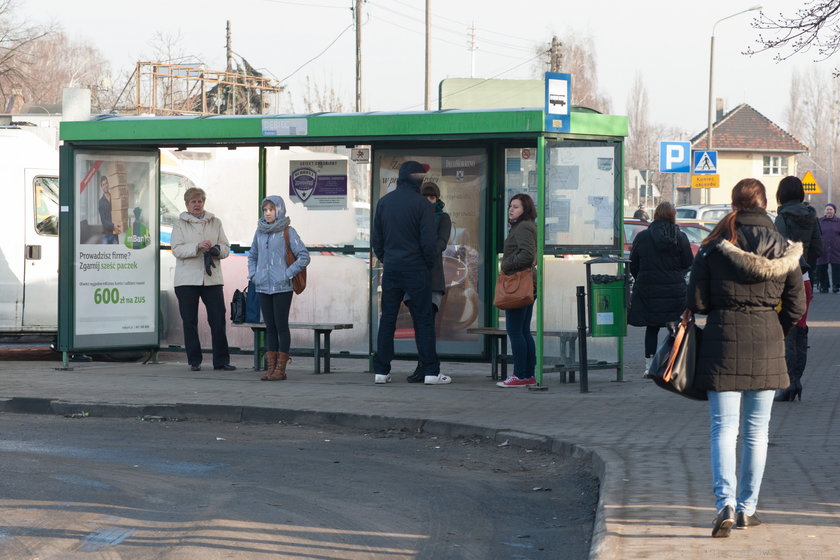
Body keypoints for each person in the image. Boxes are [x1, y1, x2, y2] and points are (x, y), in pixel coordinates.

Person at [686, 178, 805, 538]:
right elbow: (796, 306)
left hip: (723, 342)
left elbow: (696, 302)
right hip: (768, 343)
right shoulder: (785, 249)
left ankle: (724, 502)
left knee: (723, 428)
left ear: (734, 203)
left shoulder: (715, 246)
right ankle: (747, 509)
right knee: (756, 432)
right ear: (765, 204)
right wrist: (776, 328)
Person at [371, 160, 451, 385]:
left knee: (387, 319)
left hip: (393, 268)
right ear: (417, 178)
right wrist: (424, 265)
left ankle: (381, 371)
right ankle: (431, 372)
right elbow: (428, 243)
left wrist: (388, 259)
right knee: (423, 321)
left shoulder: (385, 203)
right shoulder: (422, 205)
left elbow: (377, 240)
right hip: (416, 269)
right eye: (422, 176)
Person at [171, 187, 236, 372]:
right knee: (189, 321)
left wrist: (216, 250)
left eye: (199, 201)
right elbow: (177, 249)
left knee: (217, 320)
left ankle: (221, 361)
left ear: (204, 203)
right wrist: (197, 246)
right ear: (187, 204)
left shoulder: (215, 222)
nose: (197, 205)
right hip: (186, 281)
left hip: (212, 279)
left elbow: (225, 246)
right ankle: (194, 360)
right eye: (193, 202)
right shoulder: (179, 224)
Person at [248, 195, 310, 381]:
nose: (267, 213)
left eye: (271, 209)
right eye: (265, 210)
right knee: (270, 327)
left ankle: (281, 369)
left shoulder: (288, 232)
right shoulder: (259, 232)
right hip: (263, 287)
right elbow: (252, 256)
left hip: (282, 287)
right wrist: (254, 275)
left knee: (281, 325)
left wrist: (287, 274)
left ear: (279, 210)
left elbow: (304, 256)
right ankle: (271, 368)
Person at [627, 201, 693, 376]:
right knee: (675, 327)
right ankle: (673, 366)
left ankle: (649, 366)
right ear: (673, 216)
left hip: (648, 289)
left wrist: (643, 277)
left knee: (652, 328)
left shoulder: (643, 237)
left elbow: (633, 264)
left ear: (655, 215)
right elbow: (688, 262)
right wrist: (676, 275)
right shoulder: (680, 237)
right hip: (674, 290)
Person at [774, 176, 822, 401]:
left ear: (781, 194)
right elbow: (818, 249)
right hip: (804, 280)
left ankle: (788, 382)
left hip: (785, 280)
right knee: (801, 328)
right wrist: (806, 265)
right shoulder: (812, 216)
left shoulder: (782, 217)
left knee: (786, 330)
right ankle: (797, 380)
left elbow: (777, 248)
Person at [406, 182, 452, 381]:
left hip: (432, 279)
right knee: (418, 324)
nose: (428, 201)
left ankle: (430, 367)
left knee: (427, 324)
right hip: (413, 277)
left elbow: (441, 243)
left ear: (437, 199)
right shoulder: (412, 217)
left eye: (432, 198)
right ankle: (422, 365)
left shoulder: (443, 217)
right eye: (425, 197)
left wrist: (422, 252)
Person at [496, 194, 538, 388]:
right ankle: (528, 375)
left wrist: (506, 264)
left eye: (516, 207)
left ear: (525, 209)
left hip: (519, 283)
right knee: (523, 330)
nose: (511, 210)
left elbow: (527, 254)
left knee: (515, 330)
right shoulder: (524, 226)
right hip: (525, 283)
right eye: (510, 206)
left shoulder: (523, 227)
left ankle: (519, 375)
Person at [815, 202, 840, 293]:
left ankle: (836, 286)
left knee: (837, 268)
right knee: (822, 267)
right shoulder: (820, 221)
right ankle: (824, 286)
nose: (829, 211)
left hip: (836, 248)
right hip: (823, 248)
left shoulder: (838, 221)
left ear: (834, 211)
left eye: (831, 209)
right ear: (824, 211)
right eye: (827, 209)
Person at [98, 176, 120, 244]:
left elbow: (118, 212)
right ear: (101, 187)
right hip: (106, 235)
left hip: (115, 234)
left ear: (108, 184)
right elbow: (103, 221)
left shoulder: (114, 198)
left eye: (106, 183)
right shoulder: (101, 202)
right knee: (105, 253)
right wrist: (113, 226)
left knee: (116, 253)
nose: (105, 186)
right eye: (103, 184)